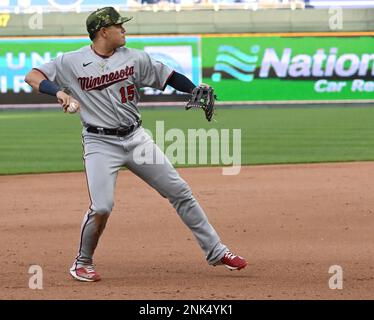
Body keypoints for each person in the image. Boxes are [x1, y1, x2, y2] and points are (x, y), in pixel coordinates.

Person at [25, 6, 247, 282]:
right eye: (119, 26)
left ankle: (216, 250)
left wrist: (192, 89)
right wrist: (57, 91)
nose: (124, 30)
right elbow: (33, 76)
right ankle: (82, 262)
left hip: (136, 138)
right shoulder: (71, 61)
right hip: (99, 142)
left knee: (179, 191)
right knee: (102, 207)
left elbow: (169, 77)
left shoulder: (135, 59)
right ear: (103, 32)